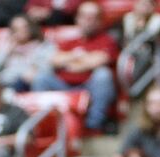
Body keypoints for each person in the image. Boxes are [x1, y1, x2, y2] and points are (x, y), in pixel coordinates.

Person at [31, 1, 118, 132]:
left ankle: (93, 125)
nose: (88, 21)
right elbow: (54, 60)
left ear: (100, 21)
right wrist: (80, 57)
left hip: (89, 86)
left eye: (92, 17)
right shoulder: (69, 41)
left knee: (103, 75)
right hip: (64, 84)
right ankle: (44, 124)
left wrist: (70, 60)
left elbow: (98, 60)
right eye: (84, 16)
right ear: (77, 18)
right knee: (41, 78)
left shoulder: (107, 40)